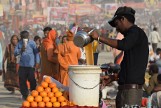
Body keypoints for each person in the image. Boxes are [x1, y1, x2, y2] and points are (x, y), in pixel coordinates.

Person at [90, 6, 149, 107]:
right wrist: (113, 77)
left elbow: (122, 45)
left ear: (123, 19)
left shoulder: (135, 32)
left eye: (117, 24)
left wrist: (98, 38)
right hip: (125, 90)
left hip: (131, 92)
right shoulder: (132, 37)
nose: (117, 29)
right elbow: (131, 68)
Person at [14, 31, 40, 100]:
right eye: (22, 37)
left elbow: (36, 53)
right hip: (22, 66)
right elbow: (15, 53)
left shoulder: (32, 43)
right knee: (22, 81)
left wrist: (37, 62)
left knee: (32, 80)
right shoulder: (19, 43)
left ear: (28, 36)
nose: (23, 38)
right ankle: (25, 94)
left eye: (25, 36)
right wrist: (20, 50)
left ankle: (33, 93)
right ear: (21, 37)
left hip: (30, 66)